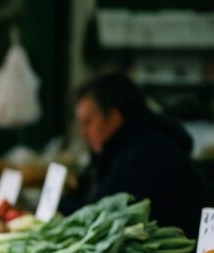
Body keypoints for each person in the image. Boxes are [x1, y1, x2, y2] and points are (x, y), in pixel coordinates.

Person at [73, 73, 202, 238]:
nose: (83, 133)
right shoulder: (118, 150)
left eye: (87, 122)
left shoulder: (148, 157)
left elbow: (110, 222)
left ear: (114, 116)